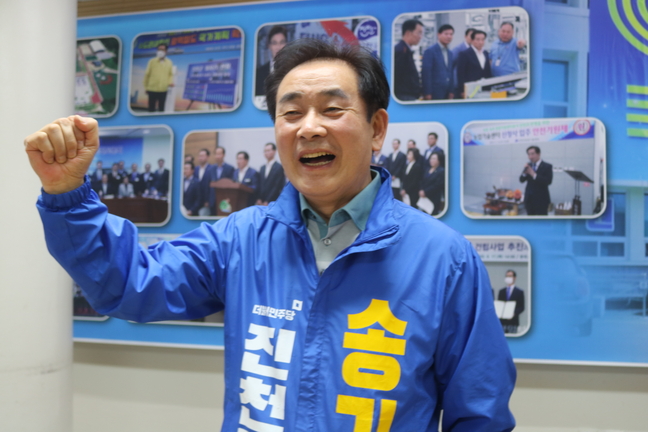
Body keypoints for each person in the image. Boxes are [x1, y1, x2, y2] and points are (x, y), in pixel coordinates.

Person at [25, 38, 515, 431]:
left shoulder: (444, 258)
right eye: (291, 113)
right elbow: (129, 282)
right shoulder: (241, 239)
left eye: (332, 109)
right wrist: (68, 194)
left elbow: (480, 412)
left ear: (377, 128)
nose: (309, 128)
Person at [421, 24, 455, 100]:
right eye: (446, 34)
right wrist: (427, 93)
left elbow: (450, 73)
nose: (449, 36)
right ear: (439, 35)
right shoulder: (430, 51)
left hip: (447, 92)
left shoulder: (450, 53)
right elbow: (426, 73)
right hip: (434, 92)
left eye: (451, 34)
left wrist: (451, 90)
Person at [456, 30, 492, 99]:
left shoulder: (485, 53)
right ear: (472, 40)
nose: (480, 42)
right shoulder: (464, 54)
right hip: (470, 89)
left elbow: (488, 72)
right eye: (478, 39)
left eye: (483, 40)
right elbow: (460, 74)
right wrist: (462, 90)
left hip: (485, 89)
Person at [393, 19, 423, 101]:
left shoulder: (406, 50)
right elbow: (397, 76)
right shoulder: (401, 51)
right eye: (419, 33)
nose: (420, 37)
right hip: (403, 96)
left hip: (408, 95)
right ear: (408, 33)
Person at [255, 26, 288, 97]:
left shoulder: (294, 70)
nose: (278, 47)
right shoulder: (259, 73)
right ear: (269, 46)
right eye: (274, 43)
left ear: (286, 44)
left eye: (282, 42)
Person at [519, 145, 552, 216]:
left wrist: (533, 174)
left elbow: (548, 181)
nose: (530, 157)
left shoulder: (547, 166)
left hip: (541, 200)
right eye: (529, 154)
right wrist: (524, 173)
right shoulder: (528, 165)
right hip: (529, 199)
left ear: (538, 154)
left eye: (532, 154)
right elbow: (521, 180)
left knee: (541, 220)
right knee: (530, 220)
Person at [143, 43, 174, 112]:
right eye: (159, 49)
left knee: (161, 108)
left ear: (166, 51)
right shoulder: (151, 61)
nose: (160, 51)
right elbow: (147, 74)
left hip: (163, 89)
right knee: (151, 108)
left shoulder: (169, 62)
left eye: (163, 49)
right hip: (152, 89)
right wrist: (146, 87)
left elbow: (170, 74)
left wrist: (170, 82)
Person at [208, 146, 235, 215]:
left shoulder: (230, 168)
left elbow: (232, 185)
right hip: (212, 200)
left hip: (225, 201)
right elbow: (207, 185)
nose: (217, 156)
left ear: (224, 155)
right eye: (216, 154)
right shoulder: (211, 169)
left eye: (219, 154)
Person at [497, 270, 525, 334]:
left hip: (513, 321)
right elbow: (499, 305)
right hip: (502, 321)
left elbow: (521, 307)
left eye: (510, 276)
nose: (508, 278)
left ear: (514, 278)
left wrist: (514, 314)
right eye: (507, 276)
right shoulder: (501, 291)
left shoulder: (519, 292)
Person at [451, 28, 475, 96]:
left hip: (471, 84)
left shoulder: (475, 50)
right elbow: (451, 65)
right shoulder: (458, 49)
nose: (472, 38)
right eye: (471, 36)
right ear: (465, 36)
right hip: (458, 84)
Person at [194, 148, 214, 216]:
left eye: (202, 156)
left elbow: (211, 187)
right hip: (196, 200)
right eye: (199, 156)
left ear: (207, 157)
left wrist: (208, 200)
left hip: (206, 201)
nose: (200, 158)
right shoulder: (195, 169)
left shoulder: (212, 168)